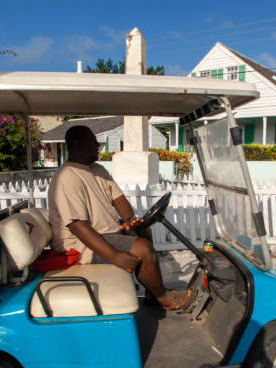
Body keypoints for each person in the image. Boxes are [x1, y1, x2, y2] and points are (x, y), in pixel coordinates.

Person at [48, 125, 191, 310]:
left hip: (103, 233)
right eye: (93, 143)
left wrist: (130, 219)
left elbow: (118, 199)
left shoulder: (97, 169)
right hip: (79, 246)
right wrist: (114, 256)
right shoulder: (67, 176)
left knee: (143, 231)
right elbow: (77, 226)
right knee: (144, 249)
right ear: (77, 145)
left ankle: (152, 293)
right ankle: (163, 298)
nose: (98, 146)